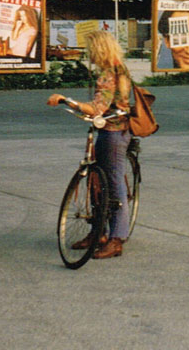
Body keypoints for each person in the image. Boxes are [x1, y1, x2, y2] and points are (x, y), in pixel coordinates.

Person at [46, 30, 133, 259]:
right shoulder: (119, 68)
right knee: (97, 182)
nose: (89, 55)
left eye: (90, 50)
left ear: (99, 50)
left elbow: (97, 109)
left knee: (113, 183)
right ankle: (98, 232)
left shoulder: (109, 74)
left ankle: (116, 239)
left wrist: (66, 100)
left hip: (114, 132)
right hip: (114, 129)